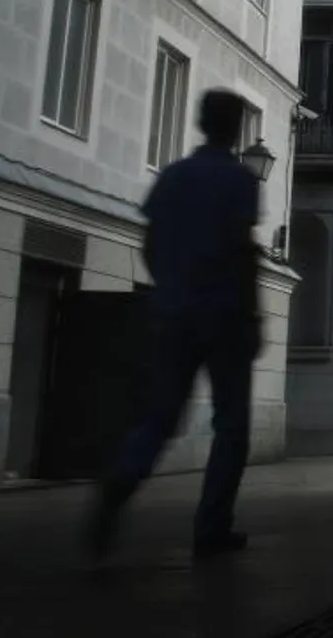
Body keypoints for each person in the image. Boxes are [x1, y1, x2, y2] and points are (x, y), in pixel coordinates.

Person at [84, 89, 265, 564]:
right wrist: (251, 315)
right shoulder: (239, 180)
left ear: (201, 123)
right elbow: (240, 249)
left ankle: (117, 488)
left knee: (158, 417)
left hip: (172, 313)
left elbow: (149, 244)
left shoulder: (174, 176)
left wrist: (170, 288)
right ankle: (211, 527)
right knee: (231, 428)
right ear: (233, 128)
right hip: (224, 317)